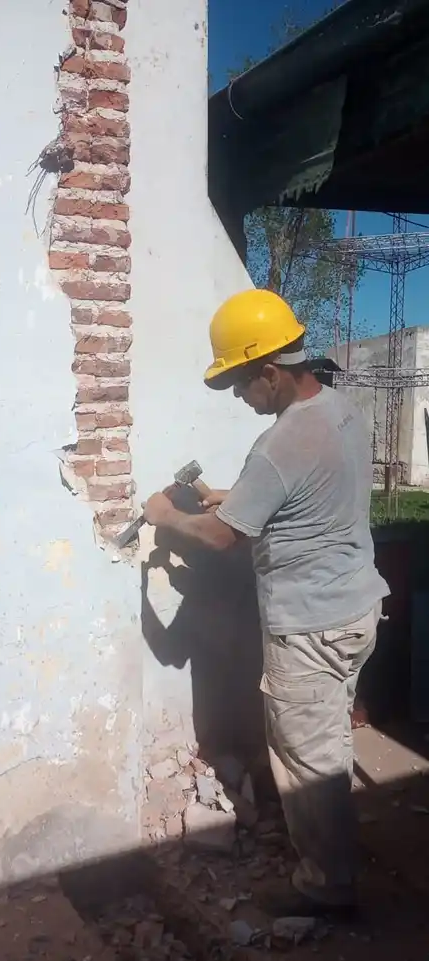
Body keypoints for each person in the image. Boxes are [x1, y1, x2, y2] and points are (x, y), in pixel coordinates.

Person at [140, 288, 389, 918]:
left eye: (240, 387)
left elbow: (225, 539)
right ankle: (335, 843)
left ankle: (326, 888)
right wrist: (225, 492)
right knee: (327, 736)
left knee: (307, 758)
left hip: (311, 626)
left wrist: (166, 519)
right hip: (358, 607)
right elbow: (297, 490)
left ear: (270, 374)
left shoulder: (279, 446)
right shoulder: (340, 411)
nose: (240, 400)